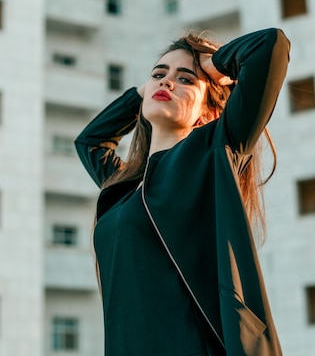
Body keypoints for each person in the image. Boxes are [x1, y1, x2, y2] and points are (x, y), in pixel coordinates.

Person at [75, 28, 291, 356]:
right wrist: (143, 90)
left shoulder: (211, 153)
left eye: (186, 79)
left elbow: (270, 46)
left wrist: (211, 64)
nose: (166, 82)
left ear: (208, 113)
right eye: (158, 75)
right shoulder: (123, 187)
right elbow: (89, 142)